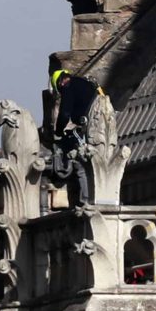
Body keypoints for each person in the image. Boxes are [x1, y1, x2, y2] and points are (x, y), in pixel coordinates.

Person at [42, 67, 102, 206]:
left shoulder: (68, 88)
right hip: (97, 125)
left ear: (60, 83)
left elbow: (65, 113)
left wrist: (59, 131)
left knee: (82, 162)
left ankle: (86, 200)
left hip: (89, 127)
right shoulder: (83, 82)